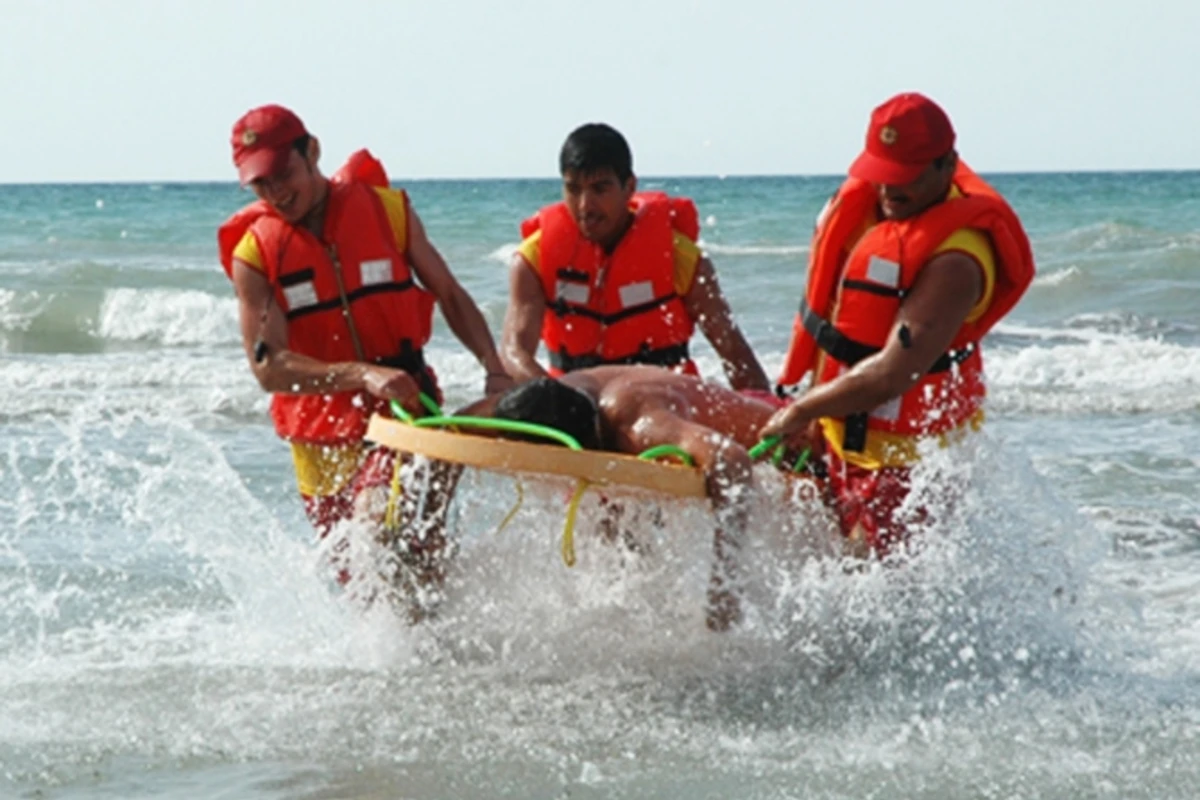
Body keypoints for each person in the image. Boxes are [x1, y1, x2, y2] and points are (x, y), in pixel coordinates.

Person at [216, 104, 513, 611]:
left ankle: (457, 649)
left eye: (283, 174)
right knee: (367, 590)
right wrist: (361, 374)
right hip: (318, 441)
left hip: (402, 414)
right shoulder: (255, 254)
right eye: (260, 185)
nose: (276, 193)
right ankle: (424, 670)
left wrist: (494, 365)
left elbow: (449, 292)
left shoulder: (387, 211)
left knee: (383, 532)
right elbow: (269, 367)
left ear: (312, 151)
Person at [763, 92, 1035, 557]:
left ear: (947, 166)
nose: (889, 191)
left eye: (904, 179)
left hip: (910, 466)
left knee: (867, 589)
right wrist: (812, 413)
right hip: (837, 438)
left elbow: (893, 372)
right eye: (881, 176)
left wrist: (802, 409)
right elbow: (834, 326)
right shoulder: (869, 211)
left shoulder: (958, 260)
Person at [460, 367, 788, 632]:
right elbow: (446, 433)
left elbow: (732, 461)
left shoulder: (638, 427)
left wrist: (724, 584)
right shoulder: (531, 404)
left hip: (787, 438)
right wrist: (425, 542)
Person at [501, 123, 770, 392]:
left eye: (599, 189)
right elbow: (514, 353)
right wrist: (555, 401)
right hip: (575, 403)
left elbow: (734, 352)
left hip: (662, 403)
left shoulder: (680, 257)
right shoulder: (533, 260)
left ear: (629, 187)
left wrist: (770, 415)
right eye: (573, 189)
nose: (585, 206)